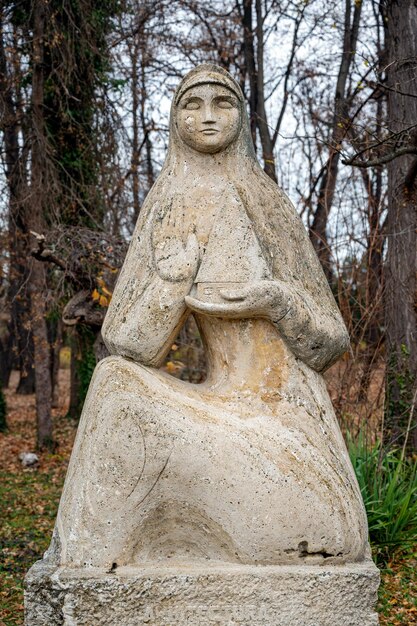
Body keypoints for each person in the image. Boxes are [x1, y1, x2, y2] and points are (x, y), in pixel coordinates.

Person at [48, 65, 370, 569]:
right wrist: (173, 280)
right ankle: (92, 574)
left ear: (241, 115)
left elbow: (331, 343)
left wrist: (276, 301)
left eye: (223, 103)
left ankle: (99, 570)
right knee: (114, 383)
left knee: (115, 391)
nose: (208, 117)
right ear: (175, 118)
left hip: (282, 426)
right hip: (217, 411)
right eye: (191, 105)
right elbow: (129, 344)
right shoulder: (165, 203)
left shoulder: (267, 202)